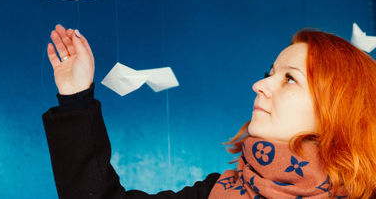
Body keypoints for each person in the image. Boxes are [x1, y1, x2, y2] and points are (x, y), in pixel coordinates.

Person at [43, 24, 376, 198]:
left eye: (289, 79)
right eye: (268, 74)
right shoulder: (218, 192)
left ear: (337, 107)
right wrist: (76, 97)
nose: (259, 86)